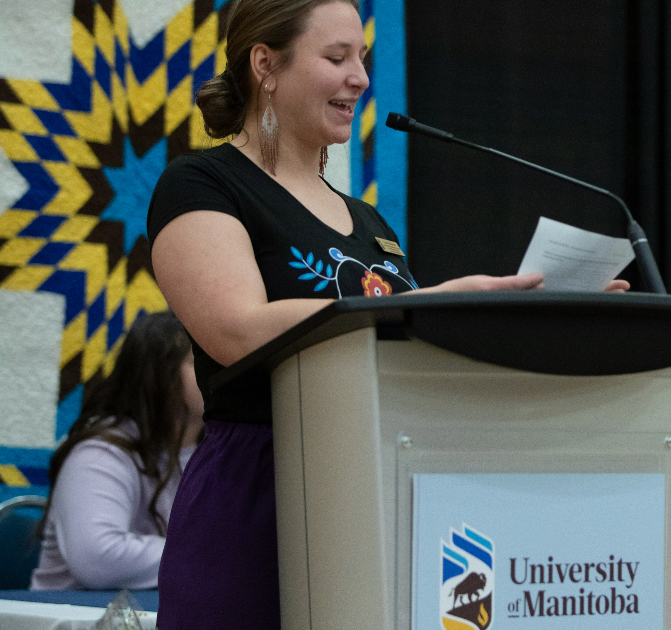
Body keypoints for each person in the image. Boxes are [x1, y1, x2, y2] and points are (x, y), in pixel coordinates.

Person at [147, 0, 626, 626]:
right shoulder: (202, 184)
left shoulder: (369, 222)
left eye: (364, 60)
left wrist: (524, 322)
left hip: (395, 488)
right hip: (265, 490)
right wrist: (427, 303)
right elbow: (234, 329)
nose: (361, 79)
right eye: (337, 57)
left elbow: (414, 350)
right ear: (265, 64)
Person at [30, 312, 204, 590]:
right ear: (158, 373)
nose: (222, 373)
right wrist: (215, 556)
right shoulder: (101, 451)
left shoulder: (217, 454)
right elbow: (96, 557)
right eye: (201, 362)